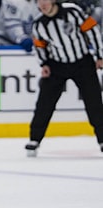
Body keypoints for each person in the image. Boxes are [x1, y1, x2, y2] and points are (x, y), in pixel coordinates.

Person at [25, 0, 103, 156]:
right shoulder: (39, 24)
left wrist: (100, 55)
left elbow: (92, 30)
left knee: (94, 102)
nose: (43, 5)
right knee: (44, 103)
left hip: (83, 63)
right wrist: (44, 64)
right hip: (57, 66)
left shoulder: (72, 11)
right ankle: (34, 139)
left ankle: (102, 139)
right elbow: (40, 46)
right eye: (39, 2)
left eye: (45, 1)